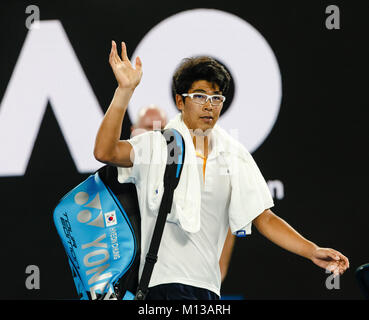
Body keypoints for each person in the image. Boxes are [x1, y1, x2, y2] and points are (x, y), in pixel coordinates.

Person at [94, 40, 349, 300]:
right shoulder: (156, 145)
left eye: (216, 98)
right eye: (200, 96)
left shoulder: (234, 155)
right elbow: (105, 151)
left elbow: (265, 218)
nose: (209, 105)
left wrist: (312, 250)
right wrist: (125, 90)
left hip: (208, 291)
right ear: (179, 101)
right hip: (158, 288)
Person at [130, 104, 236, 283]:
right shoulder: (122, 170)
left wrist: (219, 269)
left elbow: (219, 213)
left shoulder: (180, 171)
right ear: (133, 131)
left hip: (163, 282)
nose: (156, 134)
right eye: (149, 128)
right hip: (124, 281)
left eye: (162, 129)